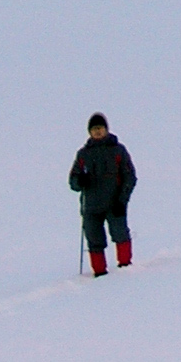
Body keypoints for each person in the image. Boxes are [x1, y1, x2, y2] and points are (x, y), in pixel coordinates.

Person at [70, 112, 137, 274]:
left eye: (100, 128)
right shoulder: (83, 154)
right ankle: (99, 273)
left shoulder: (118, 150)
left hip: (114, 203)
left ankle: (125, 268)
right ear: (89, 132)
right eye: (94, 129)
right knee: (94, 239)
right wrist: (80, 181)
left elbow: (130, 177)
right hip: (91, 206)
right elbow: (73, 181)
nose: (97, 131)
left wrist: (122, 200)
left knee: (120, 234)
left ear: (106, 129)